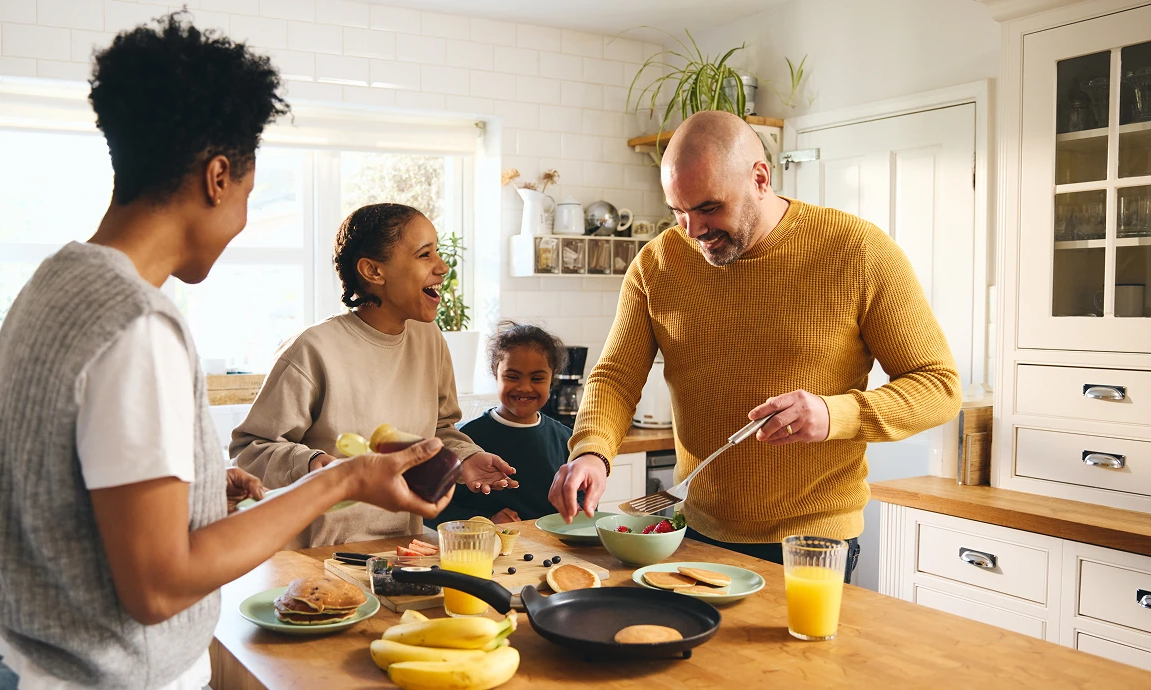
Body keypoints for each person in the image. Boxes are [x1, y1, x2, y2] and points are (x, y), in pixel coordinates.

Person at [0, 15, 459, 690]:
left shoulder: (54, 282)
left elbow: (70, 488)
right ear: (218, 177)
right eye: (250, 195)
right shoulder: (138, 325)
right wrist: (341, 479)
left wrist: (197, 489)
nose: (243, 218)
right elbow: (160, 585)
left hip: (13, 658)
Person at [548, 110, 962, 583]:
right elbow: (616, 377)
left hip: (810, 539)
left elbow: (939, 386)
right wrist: (591, 451)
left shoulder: (857, 251)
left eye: (707, 208)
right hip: (695, 528)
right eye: (678, 211)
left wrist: (834, 414)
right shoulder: (657, 264)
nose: (692, 230)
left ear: (760, 178)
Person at [232, 203, 518, 548]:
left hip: (403, 548)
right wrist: (313, 464)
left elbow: (439, 430)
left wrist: (464, 458)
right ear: (373, 271)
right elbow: (250, 451)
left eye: (438, 253)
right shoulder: (312, 349)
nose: (442, 268)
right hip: (319, 556)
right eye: (425, 255)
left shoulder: (430, 340)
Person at [428, 321, 573, 527]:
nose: (524, 387)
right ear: (495, 372)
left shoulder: (566, 440)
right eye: (512, 376)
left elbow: (583, 503)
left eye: (537, 378)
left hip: (551, 555)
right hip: (483, 553)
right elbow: (434, 509)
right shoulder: (464, 441)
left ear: (552, 377)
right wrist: (486, 522)